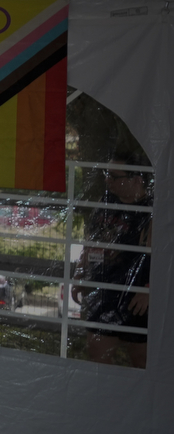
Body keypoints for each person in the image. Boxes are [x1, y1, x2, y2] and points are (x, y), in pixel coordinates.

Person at [78, 149, 152, 368]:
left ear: (137, 179)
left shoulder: (153, 210)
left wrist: (149, 288)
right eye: (106, 175)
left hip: (137, 299)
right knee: (97, 358)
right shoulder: (106, 201)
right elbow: (91, 240)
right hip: (103, 293)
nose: (107, 180)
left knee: (143, 363)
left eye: (114, 176)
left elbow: (163, 256)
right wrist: (81, 271)